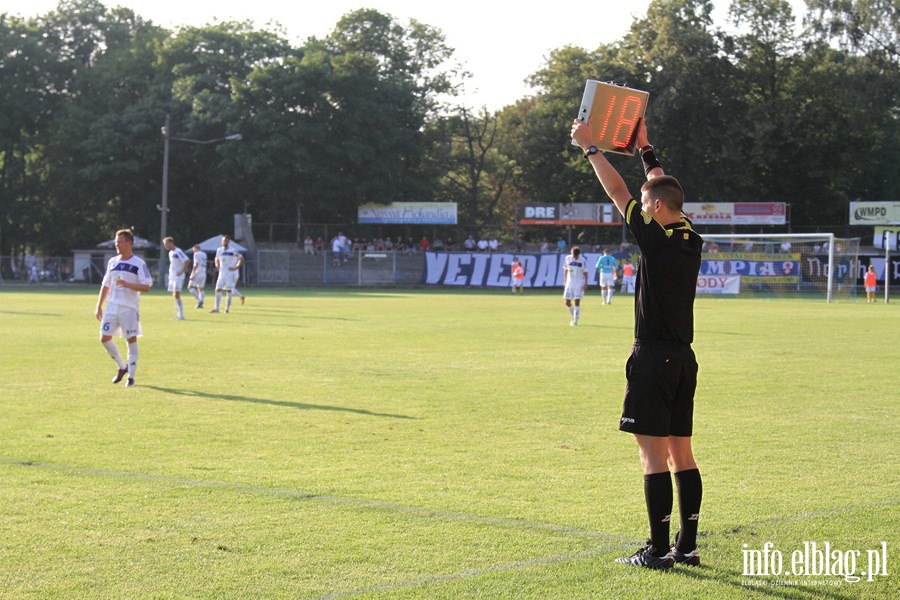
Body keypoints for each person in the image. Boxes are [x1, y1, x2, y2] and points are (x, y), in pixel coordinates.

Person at [572, 117, 704, 570]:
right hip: (684, 358)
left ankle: (657, 551)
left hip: (652, 357)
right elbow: (658, 188)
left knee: (652, 457)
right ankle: (686, 546)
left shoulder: (655, 238)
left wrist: (592, 148)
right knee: (682, 454)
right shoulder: (688, 233)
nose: (642, 211)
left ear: (658, 209)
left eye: (648, 207)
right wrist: (646, 150)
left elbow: (618, 194)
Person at [95, 229, 153, 387]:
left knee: (131, 341)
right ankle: (122, 366)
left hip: (129, 308)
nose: (117, 245)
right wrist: (99, 305)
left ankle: (131, 377)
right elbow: (106, 284)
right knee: (104, 338)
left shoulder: (139, 264)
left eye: (120, 242)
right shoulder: (112, 262)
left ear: (129, 243)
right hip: (112, 307)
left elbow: (147, 286)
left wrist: (128, 285)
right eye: (116, 242)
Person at [211, 235, 244, 314]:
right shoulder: (219, 250)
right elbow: (216, 258)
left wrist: (236, 267)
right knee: (218, 289)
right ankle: (216, 308)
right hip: (222, 273)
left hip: (230, 273)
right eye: (223, 241)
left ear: (228, 242)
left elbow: (241, 258)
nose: (224, 242)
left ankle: (227, 308)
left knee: (229, 290)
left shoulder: (233, 250)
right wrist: (217, 264)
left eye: (225, 241)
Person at [163, 237, 190, 320]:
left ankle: (181, 315)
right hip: (172, 276)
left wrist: (182, 271)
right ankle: (178, 314)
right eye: (164, 245)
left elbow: (187, 260)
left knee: (177, 294)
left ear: (171, 243)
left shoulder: (178, 251)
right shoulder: (170, 253)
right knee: (174, 295)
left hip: (178, 276)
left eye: (167, 244)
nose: (165, 246)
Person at [562, 246, 589, 326]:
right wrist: (565, 281)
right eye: (573, 255)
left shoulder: (583, 260)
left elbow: (585, 272)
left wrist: (586, 283)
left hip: (579, 283)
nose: (574, 257)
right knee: (567, 302)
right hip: (570, 283)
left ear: (578, 255)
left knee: (577, 301)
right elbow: (566, 269)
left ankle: (575, 321)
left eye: (576, 256)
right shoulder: (567, 258)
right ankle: (575, 316)